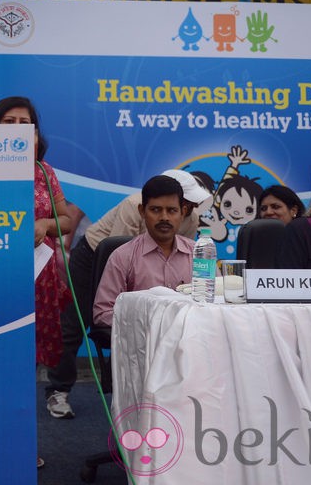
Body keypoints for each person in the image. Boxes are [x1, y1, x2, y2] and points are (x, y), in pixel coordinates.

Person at [48, 168, 209, 418]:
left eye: (179, 207)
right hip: (97, 255)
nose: (167, 215)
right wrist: (145, 317)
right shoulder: (131, 212)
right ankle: (59, 390)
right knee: (75, 322)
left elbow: (181, 257)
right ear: (145, 211)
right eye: (157, 209)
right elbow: (118, 251)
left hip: (150, 274)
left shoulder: (194, 225)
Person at [0, 96, 78, 421]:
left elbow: (66, 220)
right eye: (8, 122)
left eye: (26, 124)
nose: (18, 130)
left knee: (26, 363)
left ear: (36, 135)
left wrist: (44, 224)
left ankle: (20, 449)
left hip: (39, 279)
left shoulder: (44, 172)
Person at [93, 175, 195, 328]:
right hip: (140, 346)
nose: (164, 217)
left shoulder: (198, 254)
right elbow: (102, 313)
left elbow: (216, 305)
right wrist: (145, 322)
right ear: (142, 211)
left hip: (188, 343)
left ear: (183, 212)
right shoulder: (123, 256)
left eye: (172, 210)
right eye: (155, 210)